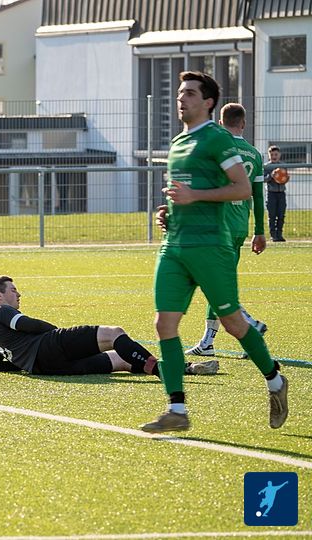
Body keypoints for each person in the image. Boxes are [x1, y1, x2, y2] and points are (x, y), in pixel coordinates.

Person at [143, 71, 288, 434]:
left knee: (234, 323)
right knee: (164, 324)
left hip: (210, 246)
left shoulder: (217, 138)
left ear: (208, 102)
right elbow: (182, 194)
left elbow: (241, 188)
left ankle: (275, 381)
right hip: (174, 246)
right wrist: (168, 212)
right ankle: (177, 409)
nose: (181, 98)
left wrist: (195, 197)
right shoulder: (178, 142)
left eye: (190, 93)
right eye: (180, 93)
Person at [185, 103, 267, 361]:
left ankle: (249, 323)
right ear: (243, 123)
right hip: (240, 226)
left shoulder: (219, 148)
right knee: (218, 281)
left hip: (218, 226)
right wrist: (260, 231)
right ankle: (208, 341)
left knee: (213, 283)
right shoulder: (254, 154)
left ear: (220, 123)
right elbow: (258, 196)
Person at [0, 276, 161, 376]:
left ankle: (170, 368)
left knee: (120, 360)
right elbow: (27, 324)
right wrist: (57, 332)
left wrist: (25, 363)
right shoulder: (0, 311)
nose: (18, 294)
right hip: (49, 347)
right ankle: (163, 371)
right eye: (13, 290)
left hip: (46, 368)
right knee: (114, 333)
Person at [264, 145, 288, 242]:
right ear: (269, 155)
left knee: (281, 215)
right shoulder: (267, 166)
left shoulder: (283, 166)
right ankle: (273, 235)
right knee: (272, 215)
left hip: (281, 193)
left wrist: (286, 178)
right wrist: (271, 176)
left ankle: (280, 234)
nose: (274, 156)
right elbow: (264, 179)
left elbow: (285, 179)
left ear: (279, 155)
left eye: (276, 154)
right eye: (272, 154)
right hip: (271, 193)